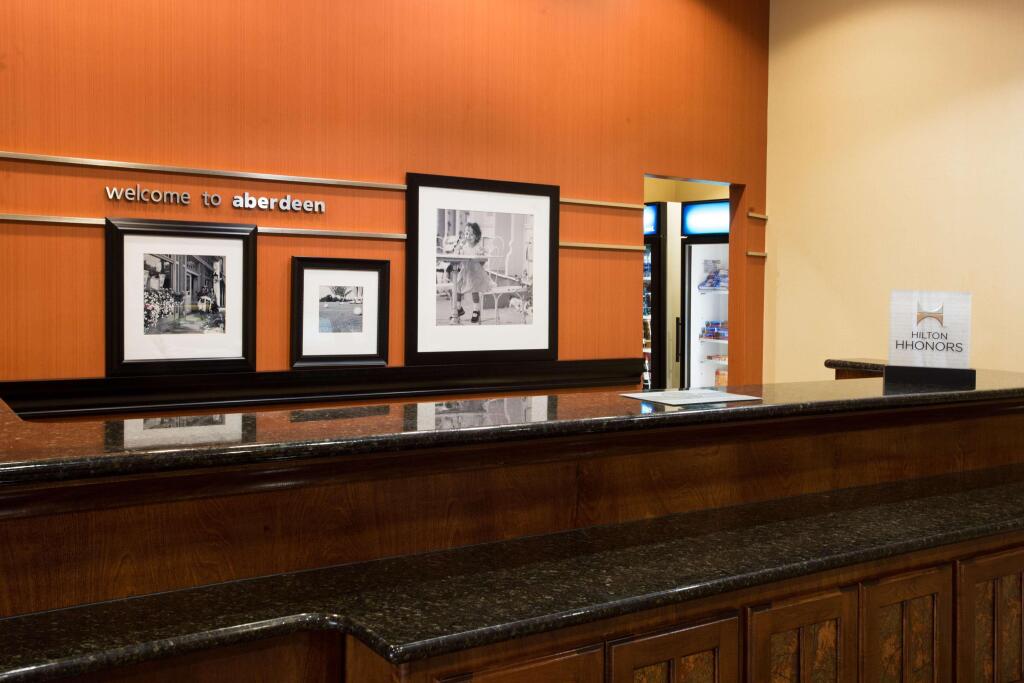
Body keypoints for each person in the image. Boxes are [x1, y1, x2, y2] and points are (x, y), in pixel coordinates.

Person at [450, 222, 492, 324]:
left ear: (477, 236)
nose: (468, 236)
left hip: (475, 273)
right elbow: (456, 254)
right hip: (465, 272)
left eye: (471, 234)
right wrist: (459, 246)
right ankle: (458, 307)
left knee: (474, 288)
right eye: (467, 234)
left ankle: (476, 310)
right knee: (457, 285)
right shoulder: (464, 247)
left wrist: (480, 257)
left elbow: (484, 260)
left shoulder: (478, 247)